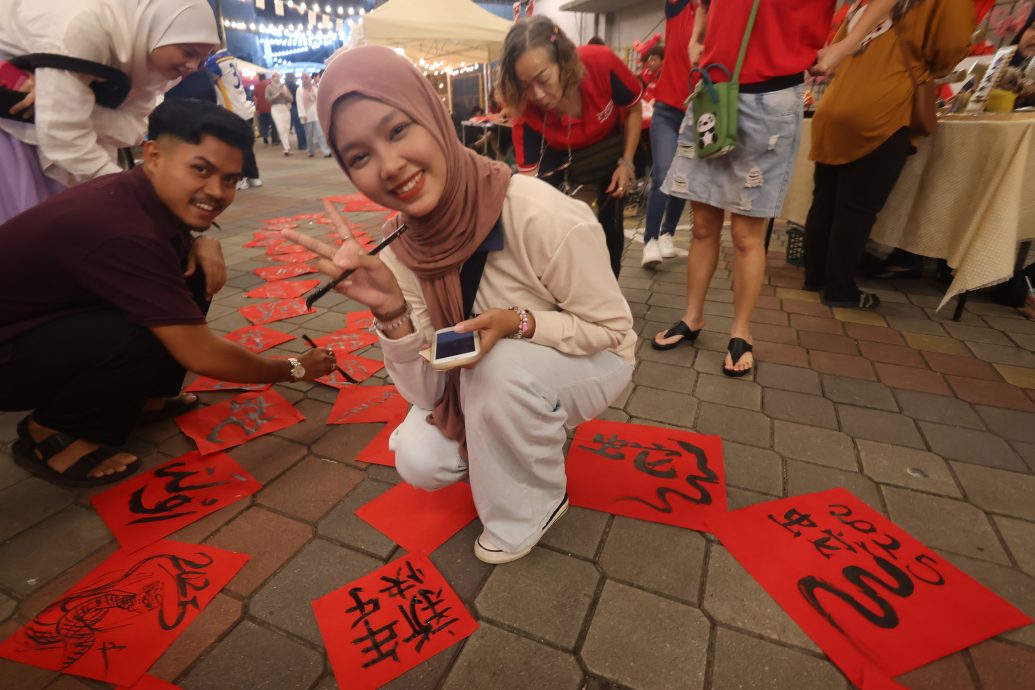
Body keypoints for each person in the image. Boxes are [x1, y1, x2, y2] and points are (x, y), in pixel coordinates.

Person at [284, 45, 635, 564]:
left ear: (431, 115)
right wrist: (391, 315)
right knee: (421, 458)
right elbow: (429, 389)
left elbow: (611, 330)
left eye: (398, 130)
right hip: (489, 379)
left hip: (595, 359)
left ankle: (536, 503)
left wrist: (519, 322)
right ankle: (512, 436)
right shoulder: (399, 245)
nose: (390, 165)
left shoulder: (539, 215)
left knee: (501, 369)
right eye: (359, 156)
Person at [0, 99, 336, 487]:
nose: (217, 192)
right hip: (8, 358)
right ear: (153, 154)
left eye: (230, 179)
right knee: (136, 332)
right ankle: (50, 433)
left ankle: (143, 397)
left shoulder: (137, 193)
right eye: (200, 170)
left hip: (41, 322)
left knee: (189, 275)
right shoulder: (125, 230)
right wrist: (293, 368)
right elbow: (201, 354)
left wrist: (202, 241)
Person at [653, 0, 898, 376]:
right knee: (702, 225)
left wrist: (843, 47)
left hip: (772, 97)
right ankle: (692, 317)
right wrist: (697, 37)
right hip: (714, 92)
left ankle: (742, 332)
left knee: (745, 234)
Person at [802, 0, 973, 309]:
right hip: (884, 106)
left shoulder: (863, 3)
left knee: (825, 200)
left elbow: (836, 51)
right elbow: (950, 49)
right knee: (856, 210)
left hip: (835, 107)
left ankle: (815, 275)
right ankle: (840, 289)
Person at [0, 0, 220, 223]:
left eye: (203, 59)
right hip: (14, 134)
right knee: (32, 229)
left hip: (64, 147)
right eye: (188, 52)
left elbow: (131, 129)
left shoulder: (155, 62)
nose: (193, 66)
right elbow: (62, 135)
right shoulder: (87, 27)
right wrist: (128, 195)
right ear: (159, 29)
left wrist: (71, 104)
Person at [499, 16, 644, 278]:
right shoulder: (524, 107)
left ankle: (609, 291)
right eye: (525, 86)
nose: (538, 95)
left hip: (606, 147)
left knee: (610, 225)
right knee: (547, 223)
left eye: (543, 78)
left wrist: (627, 162)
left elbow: (634, 108)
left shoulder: (601, 62)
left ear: (562, 61)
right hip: (557, 153)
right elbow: (531, 187)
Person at [641, 0, 696, 269]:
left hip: (698, 115)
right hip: (666, 111)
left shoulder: (722, 16)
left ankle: (667, 233)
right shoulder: (681, 10)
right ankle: (650, 238)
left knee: (683, 178)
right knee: (663, 173)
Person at [207, 48, 263, 188]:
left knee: (234, 148)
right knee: (246, 147)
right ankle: (254, 177)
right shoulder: (231, 58)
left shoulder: (215, 61)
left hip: (232, 111)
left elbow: (207, 80)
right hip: (244, 108)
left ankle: (241, 178)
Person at [298, 72, 331, 158]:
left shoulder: (314, 88)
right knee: (309, 135)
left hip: (316, 113)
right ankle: (310, 151)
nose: (305, 80)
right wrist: (302, 114)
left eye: (306, 78)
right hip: (306, 115)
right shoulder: (300, 90)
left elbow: (319, 99)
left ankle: (326, 151)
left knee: (320, 133)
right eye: (303, 78)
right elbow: (299, 103)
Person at [266, 72, 294, 155]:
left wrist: (285, 96)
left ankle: (287, 145)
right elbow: (268, 100)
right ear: (272, 77)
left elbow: (291, 99)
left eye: (278, 76)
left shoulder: (284, 86)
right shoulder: (268, 87)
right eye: (275, 76)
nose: (276, 78)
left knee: (286, 128)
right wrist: (276, 96)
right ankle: (286, 147)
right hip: (275, 108)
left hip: (285, 108)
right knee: (280, 127)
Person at [285, 73, 308, 152]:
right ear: (292, 78)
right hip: (295, 106)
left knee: (299, 126)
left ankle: (302, 144)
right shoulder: (293, 86)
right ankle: (302, 144)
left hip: (293, 107)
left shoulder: (287, 85)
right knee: (300, 126)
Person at [254, 73, 278, 145]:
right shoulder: (270, 85)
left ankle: (265, 137)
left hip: (261, 109)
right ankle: (274, 139)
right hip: (271, 108)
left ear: (259, 78)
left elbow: (255, 99)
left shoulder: (256, 86)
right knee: (273, 124)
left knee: (263, 124)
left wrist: (256, 109)